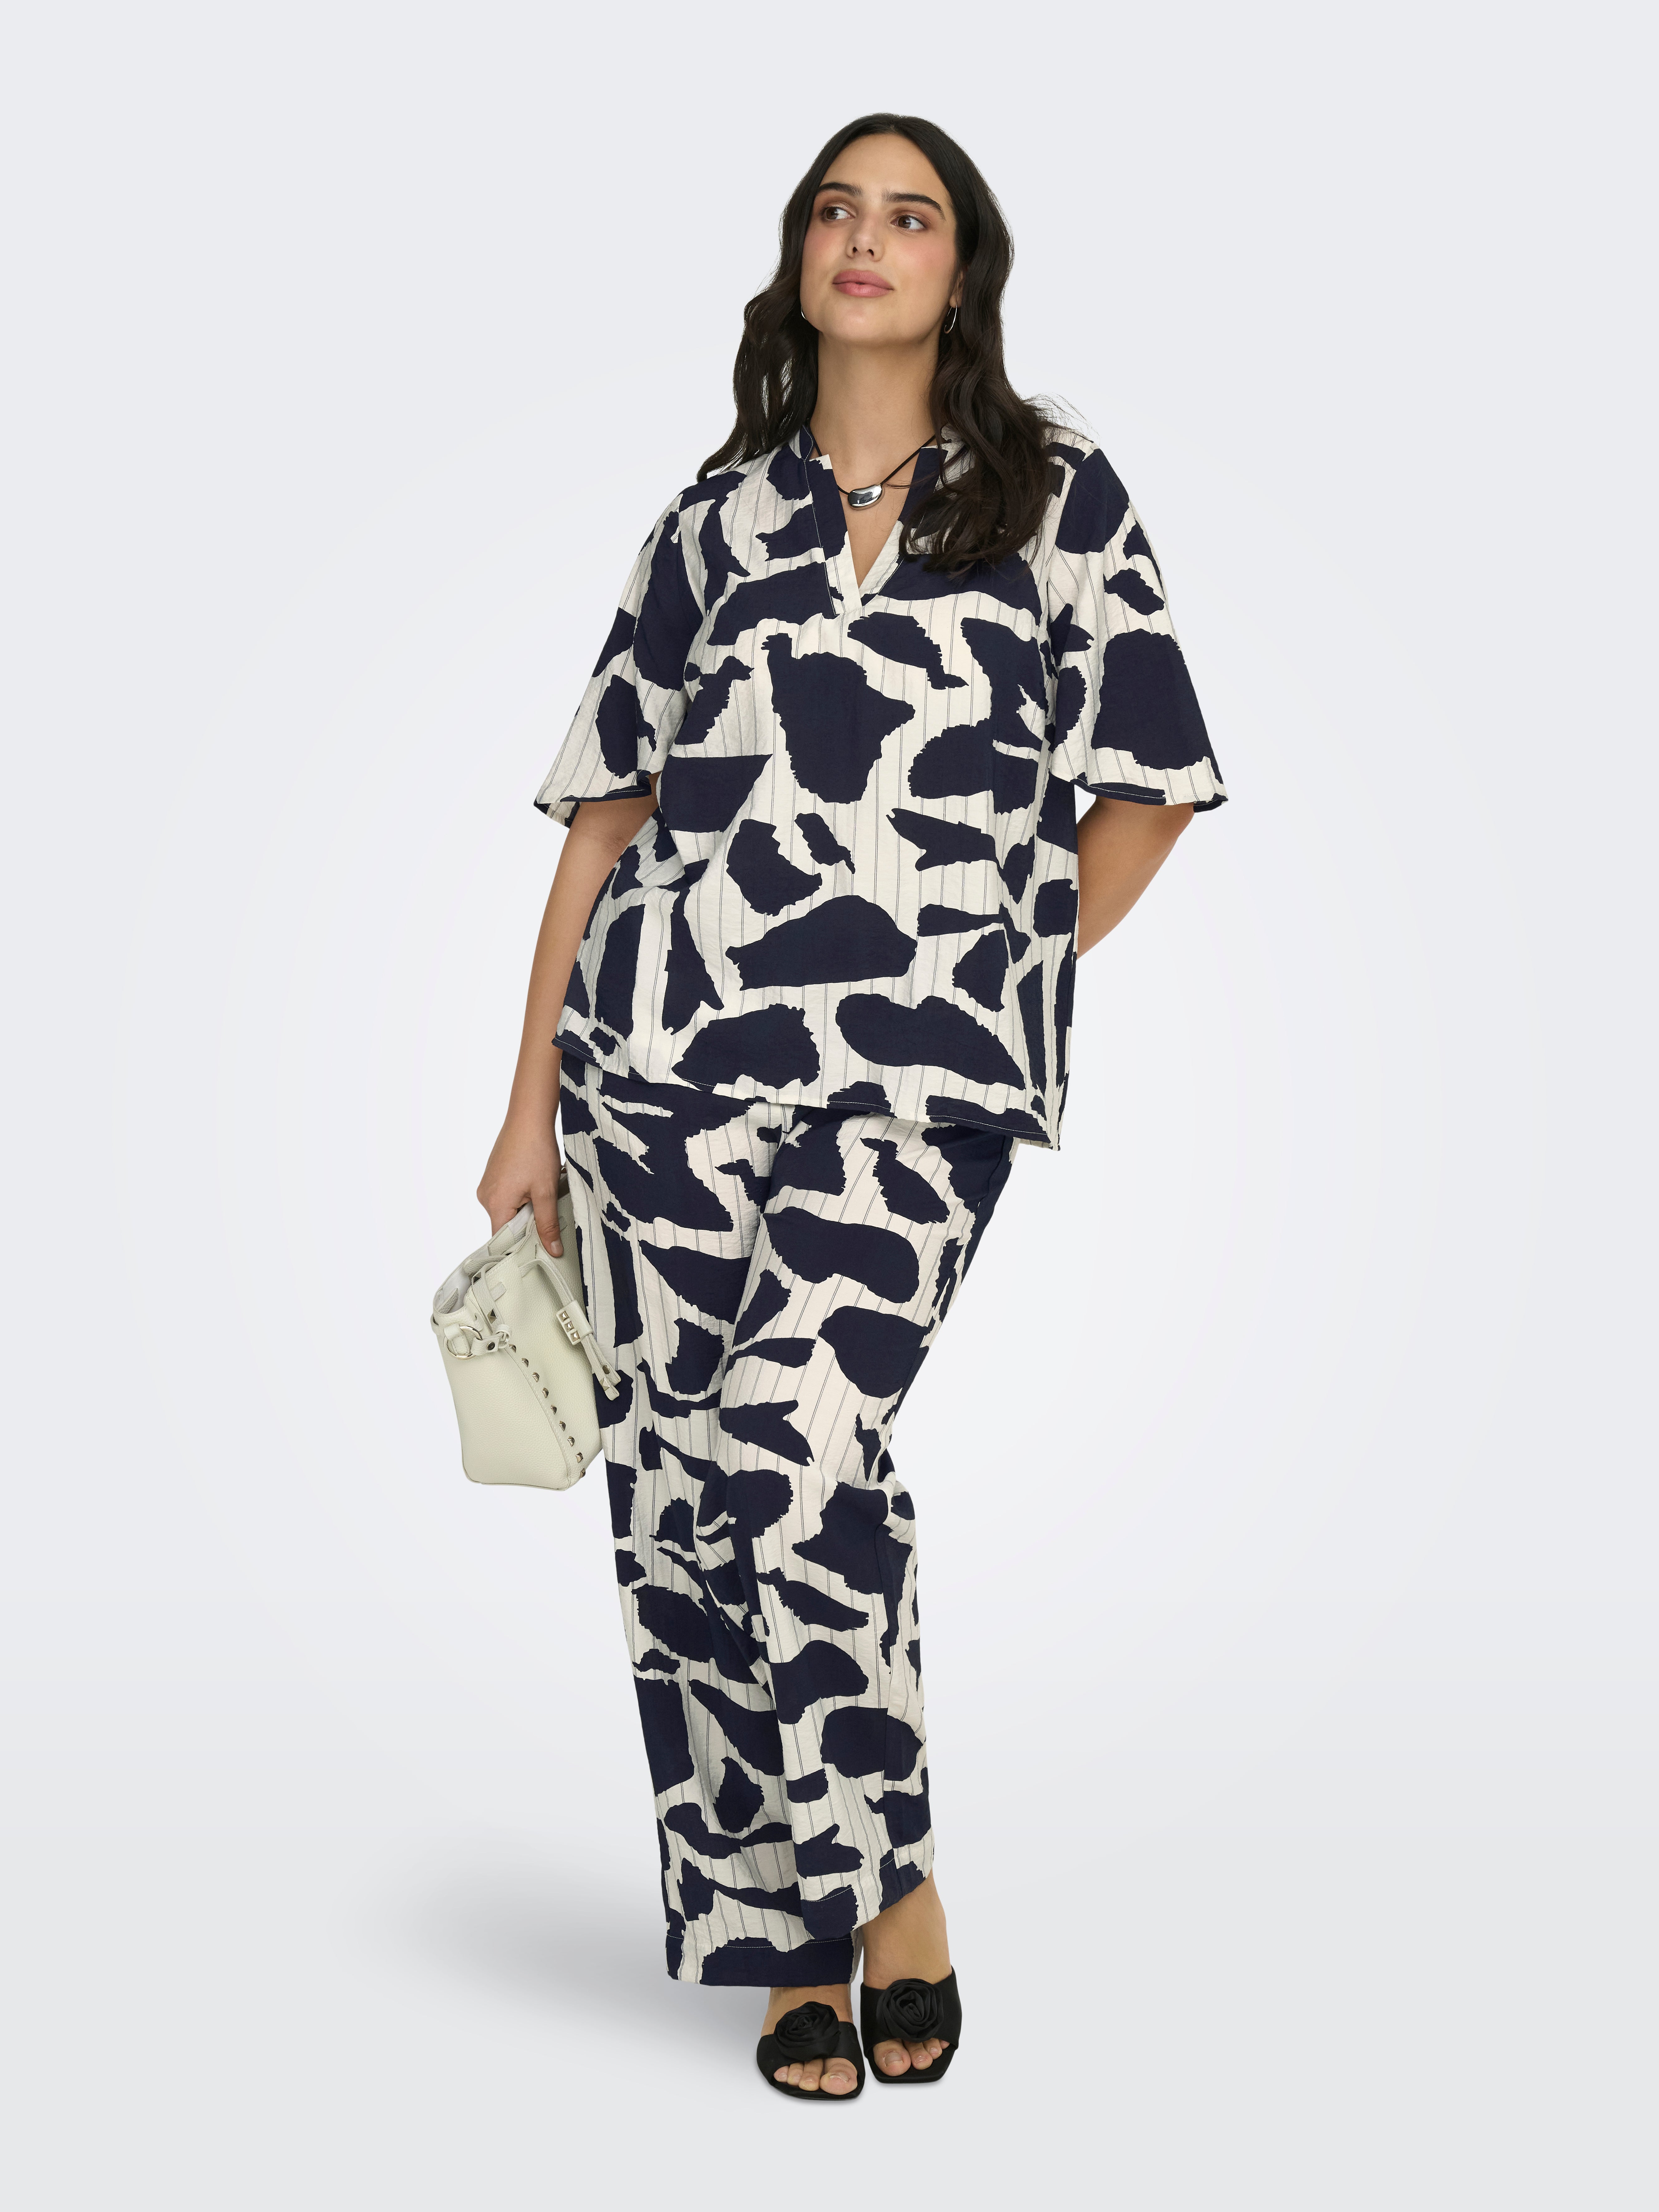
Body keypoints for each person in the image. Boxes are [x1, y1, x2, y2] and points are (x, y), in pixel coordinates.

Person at [476, 111, 1224, 2101]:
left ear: (962, 269)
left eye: (910, 215)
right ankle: (785, 1930)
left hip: (913, 1092)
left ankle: (889, 1887)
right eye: (836, 210)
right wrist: (528, 1102)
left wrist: (987, 971)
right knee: (683, 1497)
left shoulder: (1051, 496)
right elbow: (608, 819)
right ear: (798, 258)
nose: (866, 239)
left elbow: (1146, 783)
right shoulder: (708, 526)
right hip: (655, 1072)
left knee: (795, 1443)